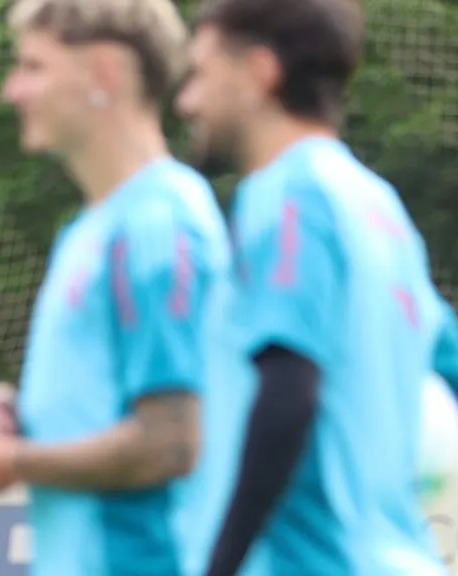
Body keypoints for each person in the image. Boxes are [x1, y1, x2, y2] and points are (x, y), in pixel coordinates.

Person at [0, 0, 234, 574]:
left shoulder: (160, 223)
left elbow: (171, 439)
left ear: (105, 73)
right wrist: (15, 415)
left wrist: (9, 458)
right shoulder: (91, 229)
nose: (13, 91)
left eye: (35, 67)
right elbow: (115, 403)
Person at [175, 0, 449, 573]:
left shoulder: (288, 195)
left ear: (260, 71)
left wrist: (219, 563)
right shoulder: (379, 206)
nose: (186, 101)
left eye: (199, 73)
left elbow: (289, 388)